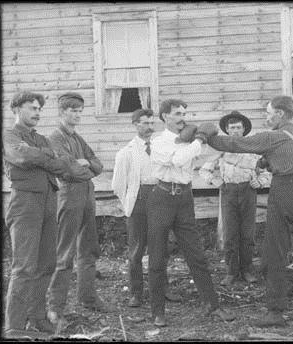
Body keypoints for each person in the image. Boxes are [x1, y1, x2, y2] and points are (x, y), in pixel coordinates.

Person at [206, 96, 293, 327]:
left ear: (280, 114)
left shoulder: (272, 137)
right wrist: (270, 162)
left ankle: (275, 312)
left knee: (274, 253)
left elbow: (233, 144)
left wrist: (206, 136)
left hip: (284, 192)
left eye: (268, 112)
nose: (266, 116)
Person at [146, 99, 235, 327]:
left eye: (184, 113)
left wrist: (207, 136)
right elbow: (178, 159)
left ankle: (212, 306)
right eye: (177, 113)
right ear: (165, 116)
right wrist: (199, 139)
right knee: (157, 257)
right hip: (162, 199)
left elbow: (203, 155)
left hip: (184, 198)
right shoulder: (158, 142)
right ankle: (158, 311)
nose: (182, 117)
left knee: (197, 255)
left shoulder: (188, 139)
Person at [2, 91, 75, 339]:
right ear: (16, 110)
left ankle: (37, 316)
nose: (37, 113)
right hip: (25, 203)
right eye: (31, 108)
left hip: (48, 201)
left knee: (46, 263)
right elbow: (21, 156)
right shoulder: (9, 135)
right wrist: (47, 156)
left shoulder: (42, 138)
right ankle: (13, 326)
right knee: (24, 266)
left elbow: (62, 164)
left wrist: (43, 156)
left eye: (39, 109)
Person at [46, 92, 106, 327]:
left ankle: (88, 297)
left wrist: (86, 164)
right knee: (64, 253)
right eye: (73, 110)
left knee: (89, 248)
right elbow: (69, 171)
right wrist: (83, 167)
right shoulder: (55, 139)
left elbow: (98, 164)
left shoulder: (78, 138)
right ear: (62, 112)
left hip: (87, 194)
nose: (77, 114)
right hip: (69, 195)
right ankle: (54, 308)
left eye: (80, 110)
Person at [111, 108, 181, 308]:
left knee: (161, 247)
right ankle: (136, 293)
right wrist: (129, 205)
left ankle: (162, 288)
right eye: (145, 123)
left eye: (152, 123)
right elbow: (117, 185)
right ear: (135, 125)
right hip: (139, 202)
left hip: (160, 198)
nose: (150, 127)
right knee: (136, 250)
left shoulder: (160, 147)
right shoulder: (126, 152)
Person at [199, 111, 271, 286]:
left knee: (247, 233)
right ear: (227, 130)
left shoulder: (253, 147)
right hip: (229, 192)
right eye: (232, 128)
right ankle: (231, 272)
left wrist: (260, 182)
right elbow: (204, 170)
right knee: (230, 234)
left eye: (238, 127)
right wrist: (216, 181)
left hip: (248, 191)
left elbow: (267, 169)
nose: (235, 131)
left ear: (244, 129)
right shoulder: (221, 148)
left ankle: (247, 270)